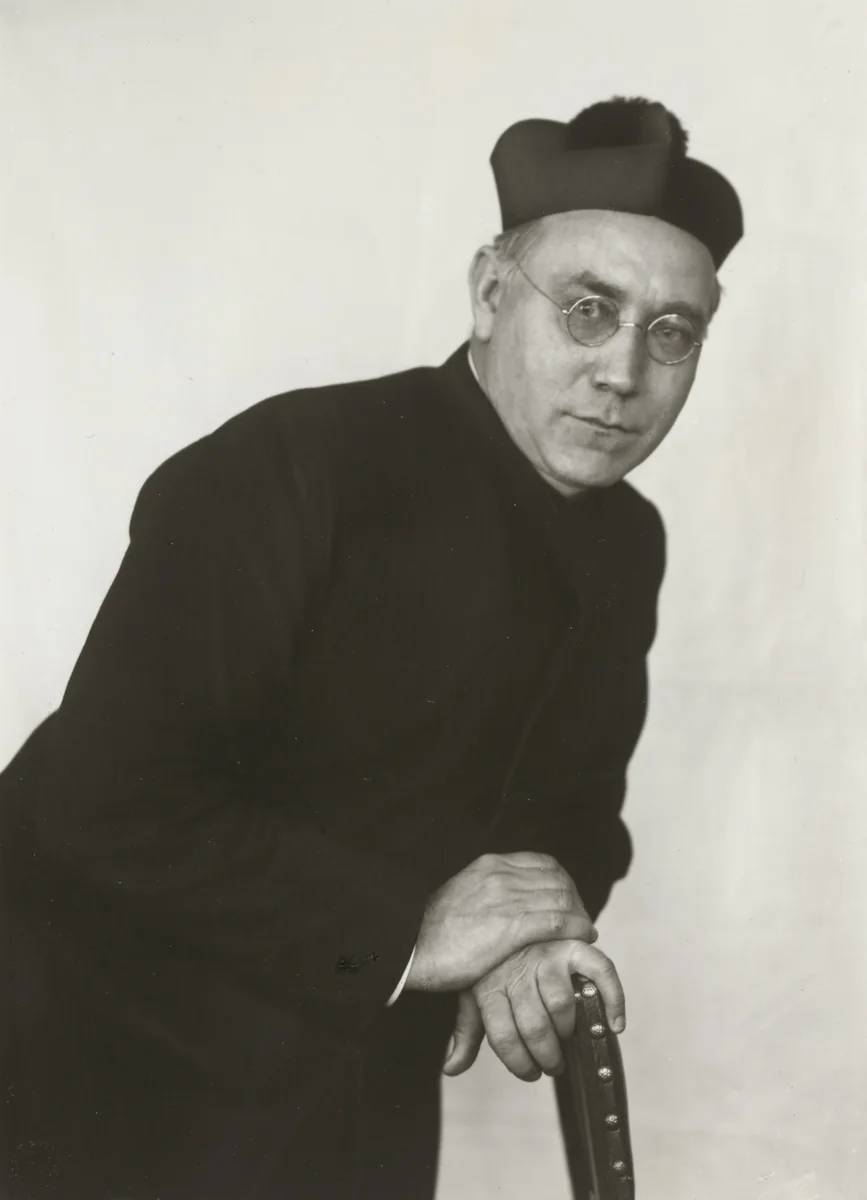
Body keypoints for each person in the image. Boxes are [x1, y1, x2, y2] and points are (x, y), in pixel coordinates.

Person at [0, 96, 742, 1199]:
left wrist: (528, 939)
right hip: (93, 1082)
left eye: (670, 333)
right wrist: (414, 929)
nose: (624, 373)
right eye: (589, 310)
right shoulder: (291, 467)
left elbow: (578, 816)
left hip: (357, 1089)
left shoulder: (628, 539)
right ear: (491, 294)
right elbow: (102, 802)